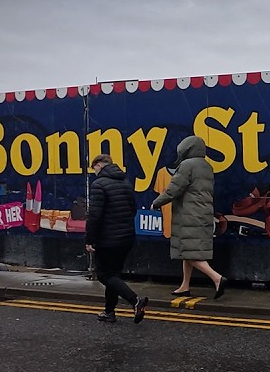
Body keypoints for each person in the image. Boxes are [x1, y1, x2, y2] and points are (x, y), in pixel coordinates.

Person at [150, 134, 228, 299]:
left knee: (188, 252)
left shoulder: (187, 165)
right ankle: (184, 286)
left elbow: (174, 189)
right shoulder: (206, 165)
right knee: (188, 250)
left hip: (189, 215)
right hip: (202, 213)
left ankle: (217, 278)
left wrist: (157, 202)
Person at [85, 153, 149, 323]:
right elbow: (133, 209)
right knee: (113, 274)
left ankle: (135, 301)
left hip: (108, 239)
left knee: (104, 275)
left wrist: (89, 240)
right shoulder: (125, 183)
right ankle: (109, 312)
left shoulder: (99, 184)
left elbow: (94, 216)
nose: (94, 172)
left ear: (99, 165)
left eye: (94, 168)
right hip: (126, 237)